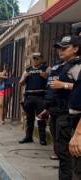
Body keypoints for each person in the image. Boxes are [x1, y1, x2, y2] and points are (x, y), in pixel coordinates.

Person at [41, 35, 81, 180]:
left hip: (69, 116)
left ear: (76, 49)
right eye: (59, 48)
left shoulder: (77, 67)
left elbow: (77, 89)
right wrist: (48, 108)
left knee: (68, 155)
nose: (61, 51)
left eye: (65, 48)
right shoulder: (61, 66)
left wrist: (63, 85)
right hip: (56, 112)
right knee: (61, 152)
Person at [19, 52, 49, 145]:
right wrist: (25, 78)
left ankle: (42, 139)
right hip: (29, 96)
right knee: (29, 118)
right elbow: (21, 83)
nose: (35, 60)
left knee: (41, 118)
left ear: (41, 59)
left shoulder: (47, 68)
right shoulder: (27, 70)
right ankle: (28, 137)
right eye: (34, 58)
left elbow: (52, 82)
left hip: (41, 96)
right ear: (31, 59)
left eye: (37, 58)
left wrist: (46, 77)